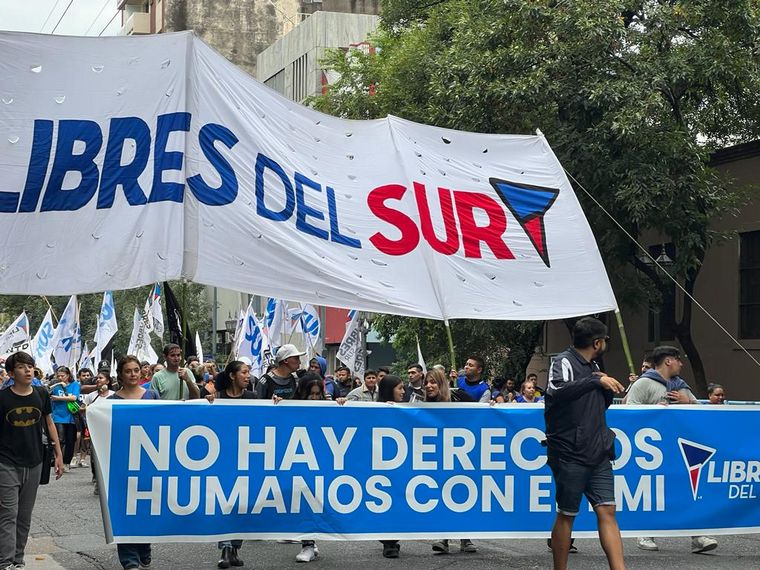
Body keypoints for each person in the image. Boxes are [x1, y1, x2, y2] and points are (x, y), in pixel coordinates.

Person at [544, 317, 625, 570]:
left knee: (607, 510)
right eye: (606, 340)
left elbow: (597, 405)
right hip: (570, 452)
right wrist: (595, 381)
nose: (606, 344)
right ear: (597, 342)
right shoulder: (563, 361)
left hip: (599, 451)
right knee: (567, 514)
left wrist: (605, 387)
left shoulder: (595, 367)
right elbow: (557, 392)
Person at [626, 346, 717, 554]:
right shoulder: (643, 384)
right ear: (668, 361)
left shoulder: (681, 387)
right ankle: (645, 533)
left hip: (679, 449)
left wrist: (688, 402)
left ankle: (697, 536)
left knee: (687, 490)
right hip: (652, 452)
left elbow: (701, 413)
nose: (681, 364)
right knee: (651, 492)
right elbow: (629, 412)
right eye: (678, 359)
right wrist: (653, 410)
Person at [0, 352, 63, 570]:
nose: (27, 370)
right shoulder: (2, 398)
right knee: (8, 514)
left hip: (35, 461)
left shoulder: (41, 393)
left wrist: (58, 453)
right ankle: (5, 561)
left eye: (30, 366)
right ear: (10, 373)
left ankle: (18, 559)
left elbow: (49, 422)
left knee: (24, 516)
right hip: (6, 463)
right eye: (21, 367)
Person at [110, 356, 160, 570]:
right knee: (124, 509)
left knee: (145, 507)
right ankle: (129, 558)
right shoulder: (111, 400)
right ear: (121, 375)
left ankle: (144, 547)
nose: (133, 374)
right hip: (122, 462)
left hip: (149, 461)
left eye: (136, 370)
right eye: (128, 371)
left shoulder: (153, 395)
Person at [203, 361, 252, 568]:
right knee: (224, 503)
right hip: (222, 459)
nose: (248, 376)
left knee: (242, 504)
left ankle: (235, 549)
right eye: (244, 372)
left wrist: (275, 403)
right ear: (232, 375)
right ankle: (224, 548)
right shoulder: (218, 397)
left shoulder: (253, 398)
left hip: (247, 459)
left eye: (249, 372)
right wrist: (207, 403)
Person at [424, 368, 477, 554]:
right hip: (437, 458)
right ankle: (443, 537)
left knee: (461, 495)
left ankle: (465, 538)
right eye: (426, 383)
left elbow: (481, 414)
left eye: (433, 382)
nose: (428, 386)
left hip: (461, 457)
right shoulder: (422, 405)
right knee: (441, 496)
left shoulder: (459, 397)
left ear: (441, 383)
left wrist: (492, 406)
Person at [374, 375, 406, 558]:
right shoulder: (372, 410)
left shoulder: (408, 410)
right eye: (400, 388)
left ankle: (392, 539)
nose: (403, 392)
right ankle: (389, 542)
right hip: (380, 466)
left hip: (401, 466)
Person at [82, 371, 115, 495]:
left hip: (109, 428)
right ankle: (97, 479)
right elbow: (82, 408)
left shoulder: (113, 395)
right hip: (95, 428)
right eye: (97, 378)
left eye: (101, 378)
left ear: (108, 381)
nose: (98, 380)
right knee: (95, 454)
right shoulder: (91, 396)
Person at [49, 366, 80, 472]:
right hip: (58, 416)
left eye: (63, 376)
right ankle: (57, 460)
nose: (60, 378)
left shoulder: (75, 385)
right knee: (59, 440)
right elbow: (47, 392)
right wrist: (55, 384)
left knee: (70, 440)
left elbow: (74, 397)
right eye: (58, 376)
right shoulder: (55, 385)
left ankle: (67, 462)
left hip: (71, 416)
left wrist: (58, 398)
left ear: (68, 375)